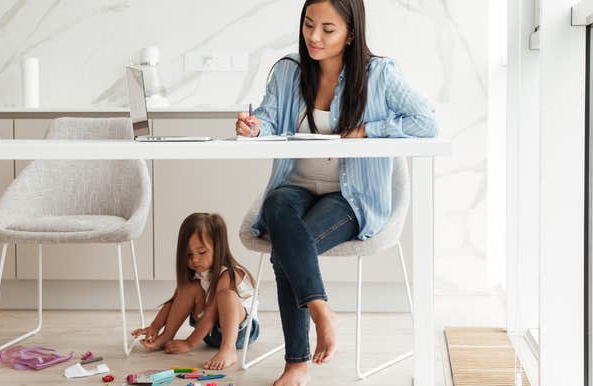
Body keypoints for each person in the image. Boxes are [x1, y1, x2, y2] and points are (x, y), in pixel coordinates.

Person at [235, 0, 438, 384]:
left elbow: (427, 122)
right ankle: (322, 311)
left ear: (350, 34)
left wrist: (368, 131)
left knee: (286, 249)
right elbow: (266, 115)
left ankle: (296, 363)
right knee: (277, 203)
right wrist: (254, 126)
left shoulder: (379, 73)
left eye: (327, 29)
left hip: (351, 196)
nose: (314, 36)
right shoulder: (287, 71)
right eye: (309, 25)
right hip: (295, 187)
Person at [131, 213, 259, 370]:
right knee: (186, 289)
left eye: (202, 252)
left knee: (226, 296)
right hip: (210, 333)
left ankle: (228, 349)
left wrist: (189, 343)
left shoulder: (229, 274)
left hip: (240, 333)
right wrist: (155, 327)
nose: (195, 260)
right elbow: (174, 302)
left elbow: (212, 314)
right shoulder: (199, 276)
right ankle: (166, 337)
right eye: (189, 254)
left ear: (218, 247)